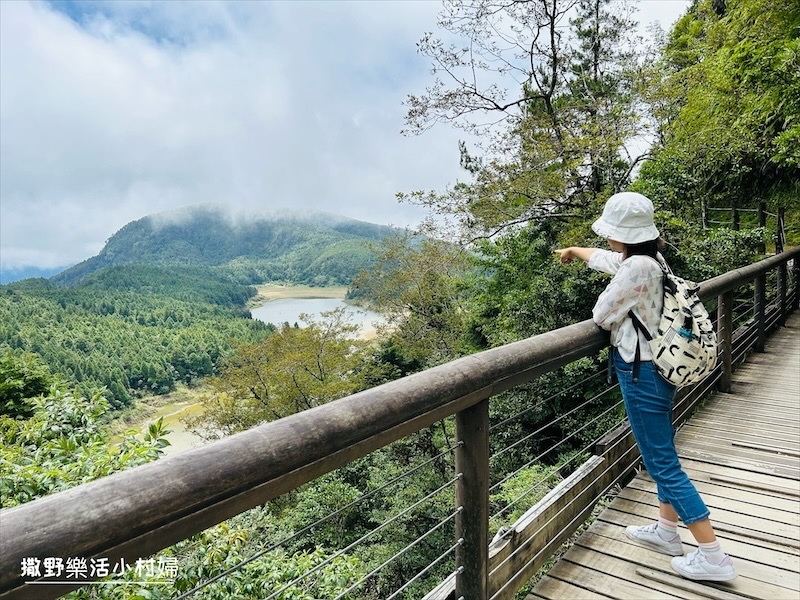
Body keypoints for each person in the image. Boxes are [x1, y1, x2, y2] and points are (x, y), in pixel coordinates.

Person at [555, 192, 737, 582]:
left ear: (621, 234)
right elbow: (608, 261)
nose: (606, 240)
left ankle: (713, 556)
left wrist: (599, 278)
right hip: (658, 367)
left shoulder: (636, 269)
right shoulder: (650, 258)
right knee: (663, 450)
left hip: (641, 372)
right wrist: (576, 250)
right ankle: (667, 532)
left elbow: (602, 315)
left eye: (610, 233)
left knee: (661, 464)